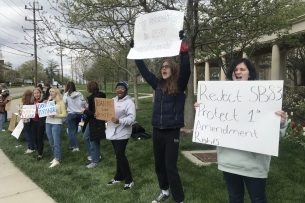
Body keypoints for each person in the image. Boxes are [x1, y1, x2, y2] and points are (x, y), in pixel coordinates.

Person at [194, 58, 288, 203]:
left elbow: (275, 136)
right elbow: (213, 124)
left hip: (254, 164)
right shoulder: (220, 96)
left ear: (249, 74)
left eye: (242, 69)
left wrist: (280, 123)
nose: (238, 72)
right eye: (235, 70)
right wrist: (203, 110)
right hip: (229, 161)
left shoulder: (265, 96)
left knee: (258, 199)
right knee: (235, 197)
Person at [132, 31, 190, 203]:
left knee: (170, 166)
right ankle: (164, 191)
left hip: (171, 131)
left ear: (173, 69)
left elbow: (186, 68)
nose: (163, 69)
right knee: (159, 165)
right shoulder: (157, 84)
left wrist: (184, 51)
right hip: (157, 129)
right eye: (162, 67)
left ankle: (179, 199)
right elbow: (143, 69)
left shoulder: (180, 84)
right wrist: (136, 52)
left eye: (166, 66)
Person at [106, 81, 136, 190]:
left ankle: (129, 180)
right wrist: (100, 114)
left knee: (120, 155)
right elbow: (107, 114)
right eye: (118, 88)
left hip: (123, 132)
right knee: (118, 155)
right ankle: (118, 177)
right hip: (112, 131)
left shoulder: (129, 103)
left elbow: (132, 118)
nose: (119, 90)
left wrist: (120, 120)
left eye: (122, 88)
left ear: (126, 90)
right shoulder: (112, 101)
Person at [81, 81, 106, 168]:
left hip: (95, 122)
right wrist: (88, 108)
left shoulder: (94, 98)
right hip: (93, 121)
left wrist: (84, 111)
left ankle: (95, 160)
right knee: (86, 137)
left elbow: (95, 113)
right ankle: (94, 155)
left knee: (94, 139)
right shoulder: (101, 95)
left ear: (89, 88)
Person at [46, 88, 67, 168]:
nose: (51, 93)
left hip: (56, 123)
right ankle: (55, 156)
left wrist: (55, 115)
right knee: (51, 141)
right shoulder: (48, 101)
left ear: (56, 92)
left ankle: (57, 159)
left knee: (56, 142)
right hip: (48, 122)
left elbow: (64, 114)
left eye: (52, 91)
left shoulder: (61, 102)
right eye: (50, 92)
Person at [63, 81, 85, 152]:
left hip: (71, 113)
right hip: (79, 114)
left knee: (71, 130)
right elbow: (83, 103)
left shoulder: (66, 95)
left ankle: (74, 146)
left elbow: (64, 104)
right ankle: (74, 142)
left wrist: (67, 108)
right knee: (75, 129)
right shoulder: (79, 94)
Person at [30, 88, 46, 161]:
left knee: (39, 138)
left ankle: (40, 154)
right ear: (33, 95)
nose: (36, 94)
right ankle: (39, 149)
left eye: (38, 93)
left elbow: (46, 112)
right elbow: (28, 112)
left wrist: (38, 112)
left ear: (40, 93)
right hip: (33, 122)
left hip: (40, 122)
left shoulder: (43, 101)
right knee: (35, 138)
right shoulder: (31, 102)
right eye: (35, 93)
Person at [19, 89, 35, 154]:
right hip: (31, 120)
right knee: (29, 134)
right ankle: (30, 147)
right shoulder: (32, 102)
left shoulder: (24, 102)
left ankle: (31, 147)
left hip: (26, 120)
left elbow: (20, 111)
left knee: (28, 134)